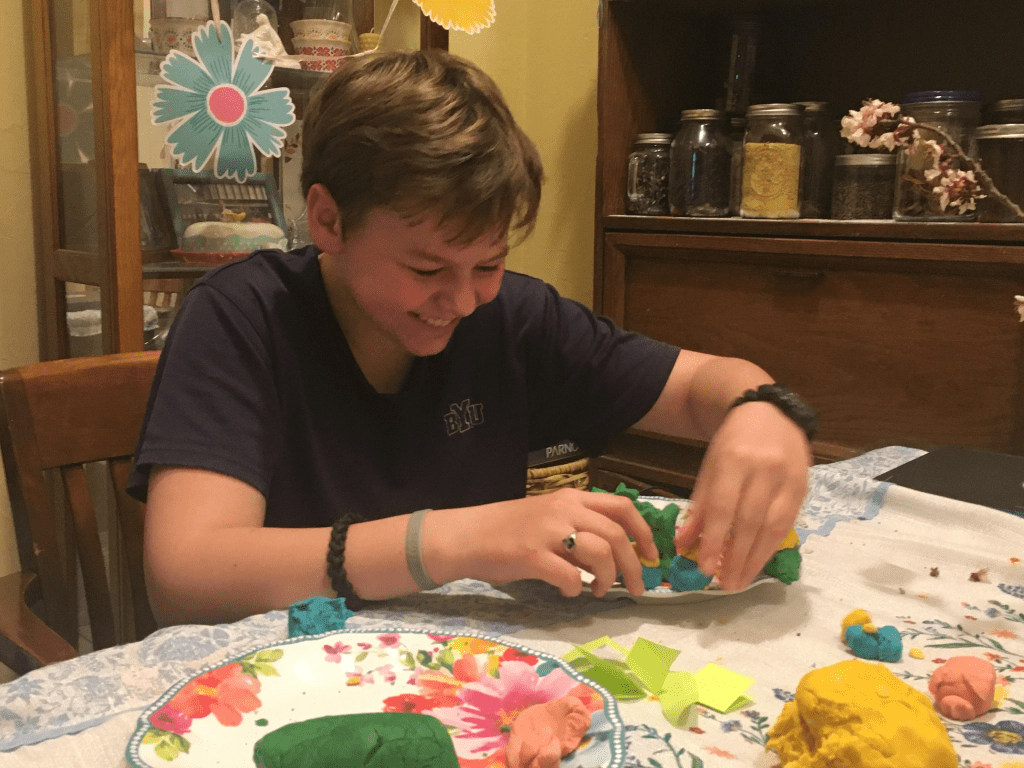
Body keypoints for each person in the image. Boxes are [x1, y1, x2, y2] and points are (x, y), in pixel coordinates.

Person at [128, 50, 813, 627]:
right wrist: (457, 540)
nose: (461, 301)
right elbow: (186, 577)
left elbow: (701, 385)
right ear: (329, 220)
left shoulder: (511, 317)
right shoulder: (241, 316)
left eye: (488, 264)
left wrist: (761, 409)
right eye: (427, 270)